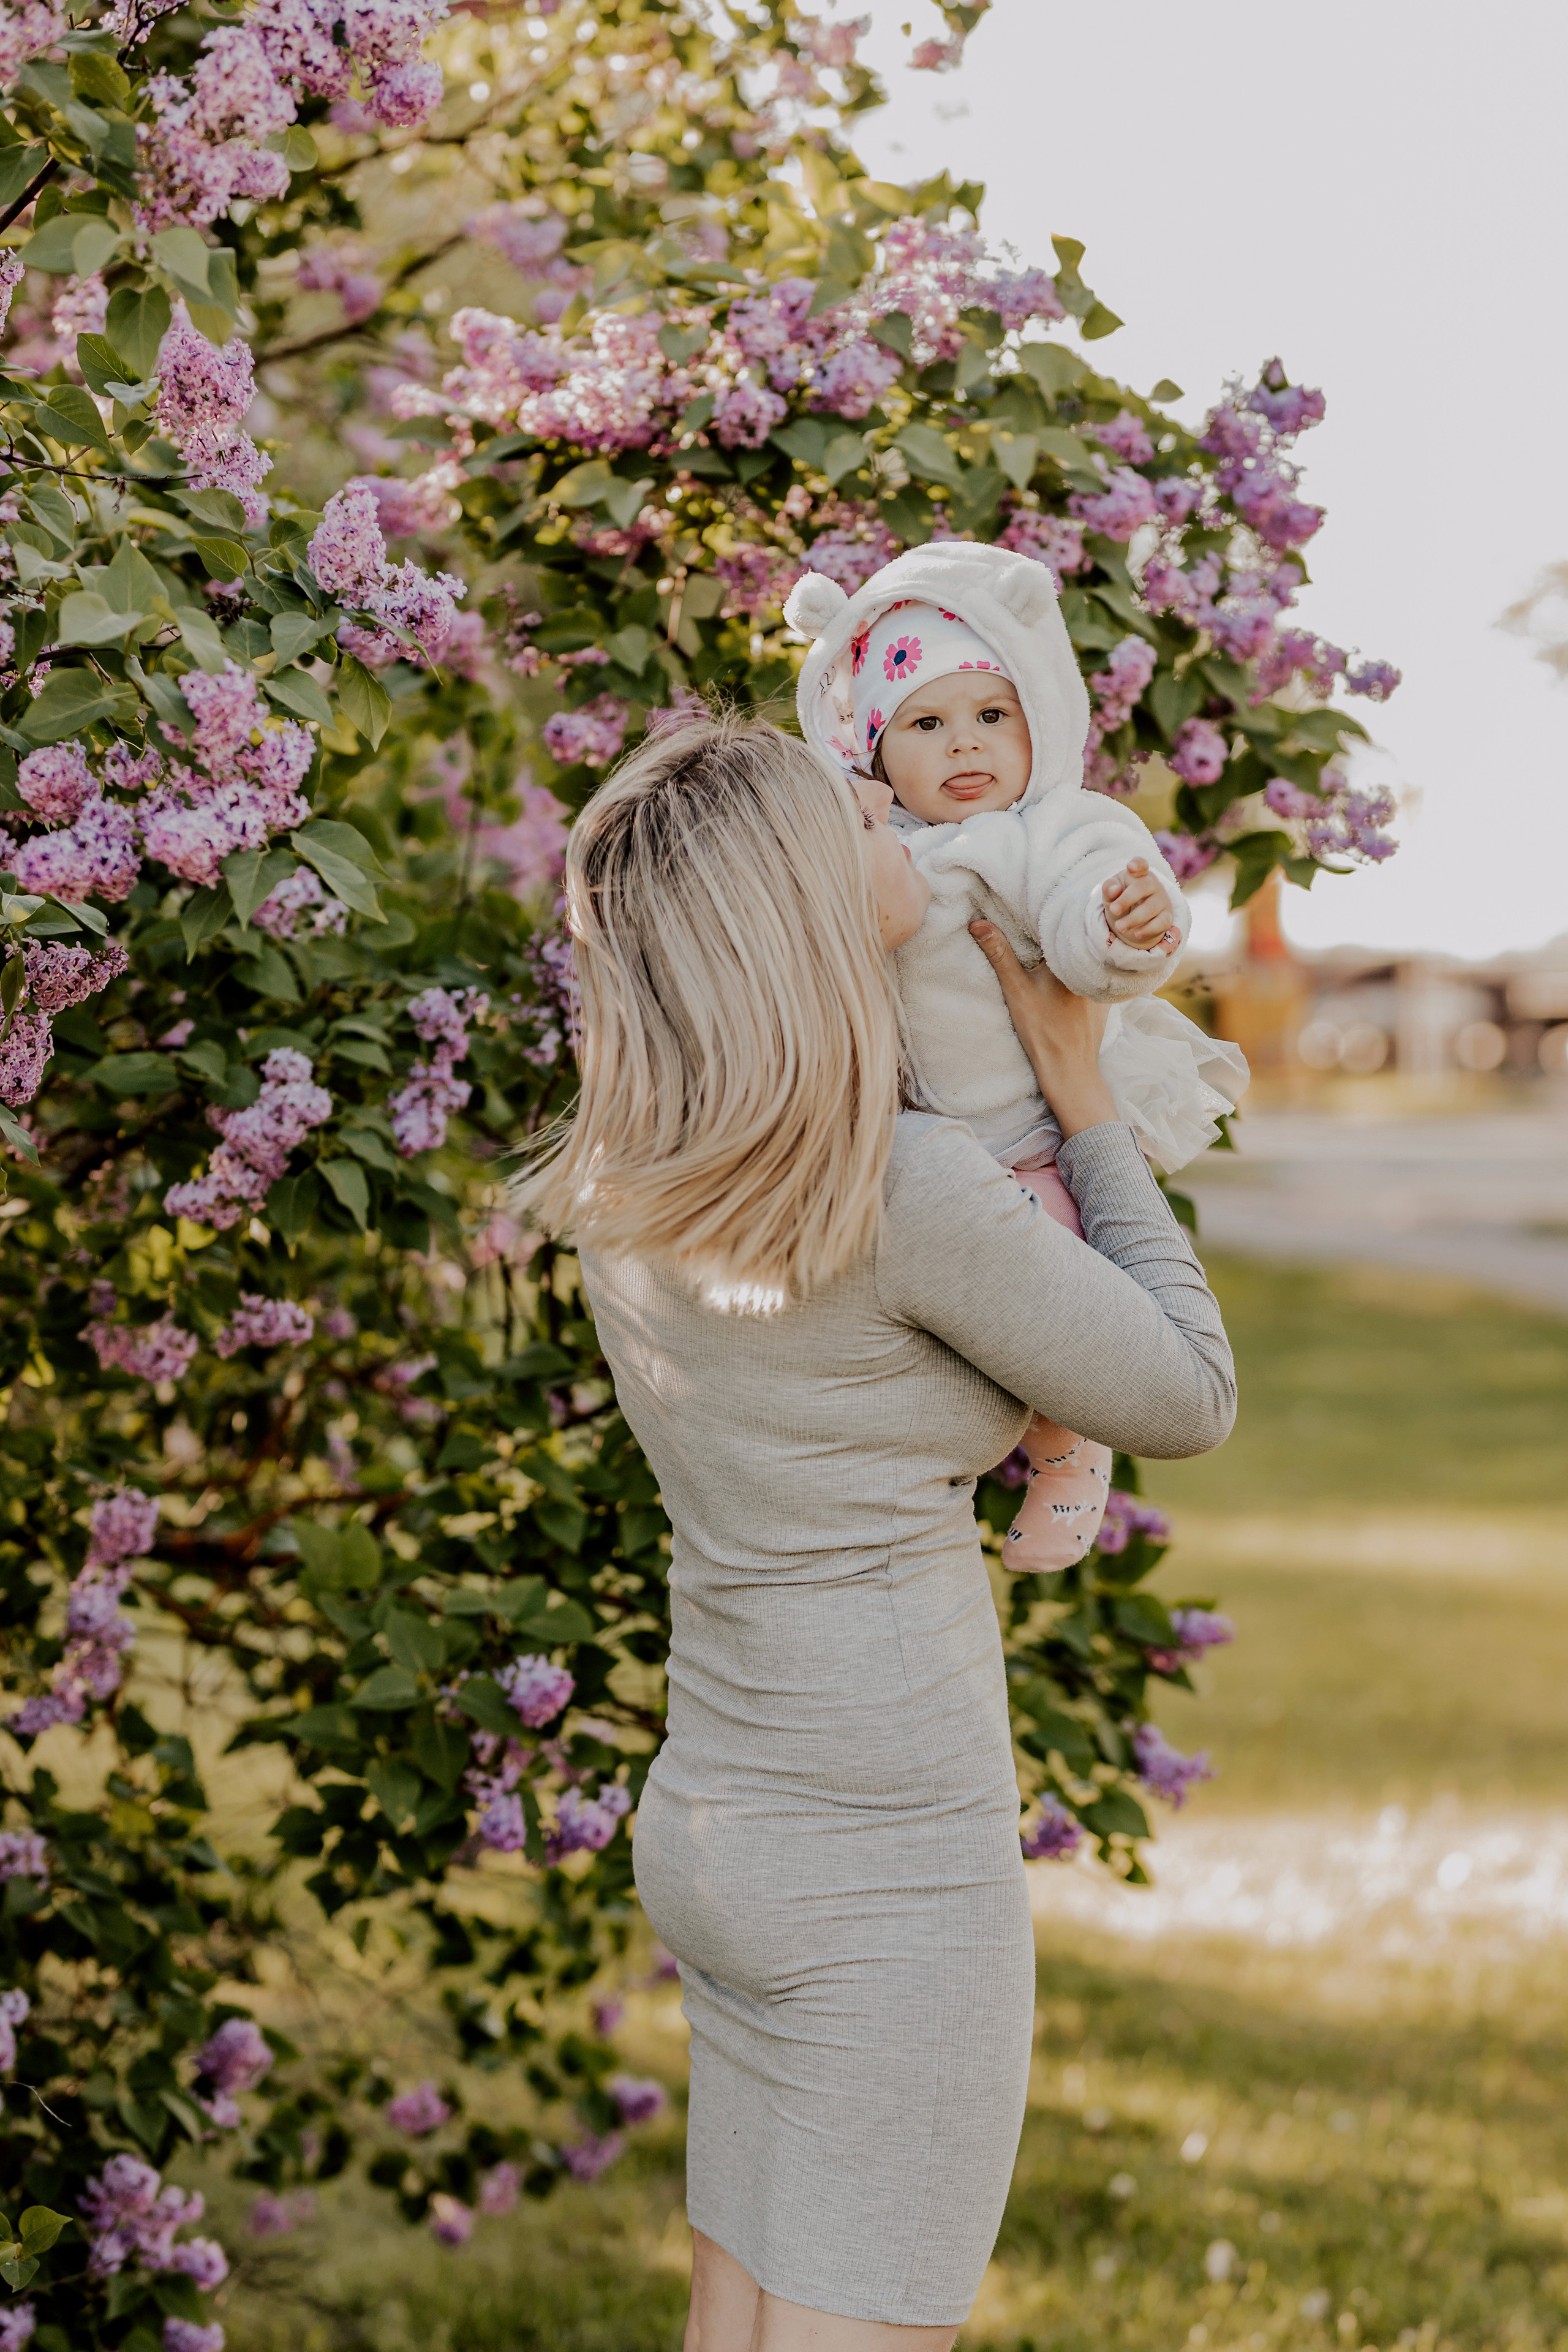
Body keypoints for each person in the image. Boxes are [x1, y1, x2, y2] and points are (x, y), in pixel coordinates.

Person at [518, 715, 1235, 2352]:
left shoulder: (634, 1184)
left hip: (724, 1831)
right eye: (853, 818)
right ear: (803, 912)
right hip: (888, 1864)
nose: (894, 816)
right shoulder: (901, 1190)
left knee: (742, 2318)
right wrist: (1080, 1093)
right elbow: (1186, 1391)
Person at [785, 543, 1247, 1571]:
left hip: (1035, 1135)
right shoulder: (877, 846)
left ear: (1037, 720)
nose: (967, 746)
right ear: (872, 751)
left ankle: (1071, 1455)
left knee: (1060, 1292)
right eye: (927, 723)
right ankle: (983, 1443)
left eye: (993, 715)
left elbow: (1093, 900)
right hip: (921, 1143)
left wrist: (1119, 927)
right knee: (954, 1310)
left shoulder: (1045, 830)